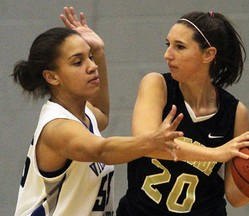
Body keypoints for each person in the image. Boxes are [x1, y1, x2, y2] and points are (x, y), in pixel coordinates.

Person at [13, 7, 185, 216]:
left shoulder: (82, 112)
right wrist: (152, 141)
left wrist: (100, 52)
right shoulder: (58, 128)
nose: (92, 66)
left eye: (90, 57)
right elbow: (103, 150)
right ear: (52, 77)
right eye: (78, 62)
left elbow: (101, 115)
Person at [116, 11, 249, 216]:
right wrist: (215, 154)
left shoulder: (235, 112)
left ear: (208, 54)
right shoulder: (157, 85)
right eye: (168, 45)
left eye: (180, 47)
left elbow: (235, 197)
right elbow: (145, 144)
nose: (167, 55)